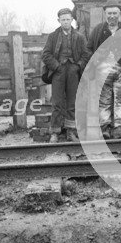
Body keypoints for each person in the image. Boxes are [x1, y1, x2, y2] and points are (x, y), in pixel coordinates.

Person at [87, 0, 121, 139]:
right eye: (109, 13)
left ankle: (119, 128)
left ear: (119, 14)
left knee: (120, 99)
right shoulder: (98, 30)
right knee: (104, 99)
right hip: (102, 70)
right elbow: (88, 49)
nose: (112, 16)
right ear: (105, 14)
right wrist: (96, 62)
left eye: (115, 13)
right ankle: (105, 128)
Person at [41, 8, 91, 143]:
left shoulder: (79, 37)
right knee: (56, 102)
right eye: (63, 20)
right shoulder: (53, 36)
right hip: (58, 71)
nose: (66, 22)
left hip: (73, 72)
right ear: (59, 21)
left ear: (72, 20)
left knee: (72, 102)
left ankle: (71, 131)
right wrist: (56, 66)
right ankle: (55, 132)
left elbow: (86, 54)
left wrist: (78, 66)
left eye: (68, 19)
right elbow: (45, 54)